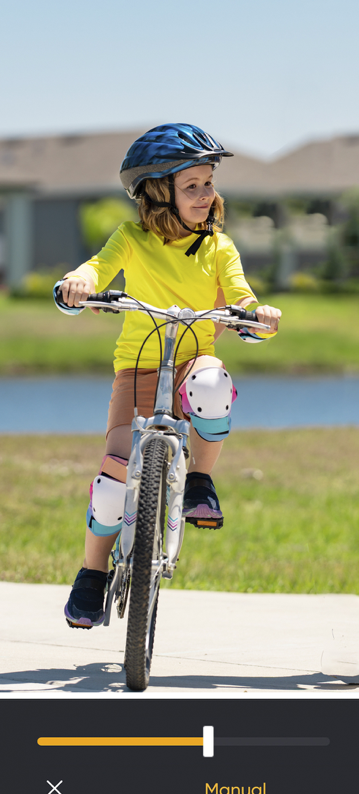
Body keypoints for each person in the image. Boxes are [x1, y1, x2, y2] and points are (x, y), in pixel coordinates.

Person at [59, 124, 281, 629]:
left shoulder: (219, 248)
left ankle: (199, 480)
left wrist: (256, 314)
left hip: (192, 359)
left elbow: (241, 297)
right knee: (115, 476)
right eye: (192, 186)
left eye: (208, 183)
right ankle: (92, 575)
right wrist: (79, 282)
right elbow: (98, 267)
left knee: (212, 386)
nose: (206, 195)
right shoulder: (132, 238)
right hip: (138, 364)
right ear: (161, 193)